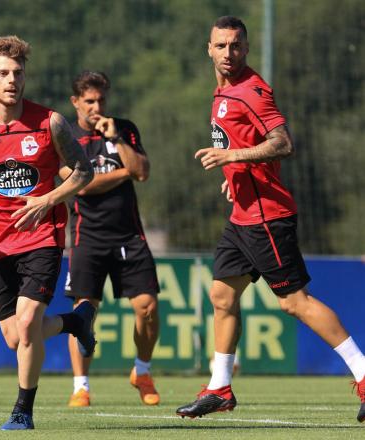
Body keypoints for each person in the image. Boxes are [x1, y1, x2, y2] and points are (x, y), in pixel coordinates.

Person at [176, 16, 365, 422]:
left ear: (247, 48)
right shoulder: (221, 92)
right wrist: (235, 177)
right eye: (221, 46)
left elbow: (282, 143)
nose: (229, 53)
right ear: (208, 48)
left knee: (294, 303)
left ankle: (364, 375)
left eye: (236, 46)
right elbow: (243, 145)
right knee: (222, 296)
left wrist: (232, 158)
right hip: (242, 215)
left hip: (267, 217)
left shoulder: (252, 92)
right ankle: (219, 387)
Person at [0, 35, 96, 430]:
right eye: (2, 73)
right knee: (16, 337)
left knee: (29, 322)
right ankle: (74, 322)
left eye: (17, 72)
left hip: (43, 237)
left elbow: (85, 172)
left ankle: (22, 412)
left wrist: (49, 199)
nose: (11, 80)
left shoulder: (51, 123)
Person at [60, 71, 161, 408]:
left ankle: (142, 372)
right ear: (76, 102)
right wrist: (123, 173)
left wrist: (117, 140)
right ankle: (81, 386)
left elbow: (143, 172)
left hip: (129, 235)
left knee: (147, 308)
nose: (96, 106)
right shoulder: (65, 136)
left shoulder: (125, 129)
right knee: (84, 311)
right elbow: (82, 185)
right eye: (89, 100)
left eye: (101, 99)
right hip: (87, 236)